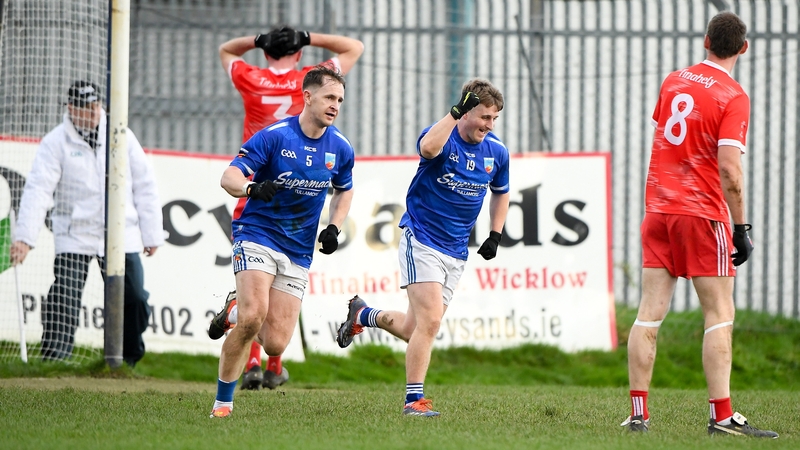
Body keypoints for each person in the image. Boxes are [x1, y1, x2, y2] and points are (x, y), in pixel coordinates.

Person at [621, 12, 777, 438]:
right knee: (719, 314)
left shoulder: (674, 80)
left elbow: (666, 136)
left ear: (705, 39)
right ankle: (722, 417)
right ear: (743, 48)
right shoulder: (734, 95)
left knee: (648, 314)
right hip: (702, 214)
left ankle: (638, 415)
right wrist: (741, 228)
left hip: (658, 210)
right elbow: (729, 168)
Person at [335, 78, 510, 417]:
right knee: (430, 323)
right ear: (466, 111)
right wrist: (453, 113)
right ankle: (413, 401)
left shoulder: (496, 151)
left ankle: (363, 315)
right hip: (423, 239)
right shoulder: (442, 135)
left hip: (456, 251)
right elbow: (428, 149)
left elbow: (501, 191)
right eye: (484, 117)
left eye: (495, 119)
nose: (489, 126)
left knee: (414, 329)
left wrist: (495, 233)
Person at [208, 25, 363, 391]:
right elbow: (354, 47)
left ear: (265, 54)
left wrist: (254, 40)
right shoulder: (305, 80)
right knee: (254, 311)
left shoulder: (252, 76)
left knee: (275, 335)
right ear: (305, 95)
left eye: (339, 101)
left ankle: (258, 348)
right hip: (259, 195)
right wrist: (310, 37)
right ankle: (248, 364)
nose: (335, 105)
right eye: (330, 99)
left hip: (294, 225)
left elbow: (226, 50)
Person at [9, 80, 164, 367]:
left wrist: (151, 233)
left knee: (134, 298)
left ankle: (126, 361)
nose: (93, 113)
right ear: (70, 109)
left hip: (120, 234)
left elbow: (145, 185)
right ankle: (55, 359)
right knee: (64, 296)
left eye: (96, 106)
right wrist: (24, 238)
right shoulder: (55, 142)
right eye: (85, 108)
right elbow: (38, 189)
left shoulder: (122, 136)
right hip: (74, 233)